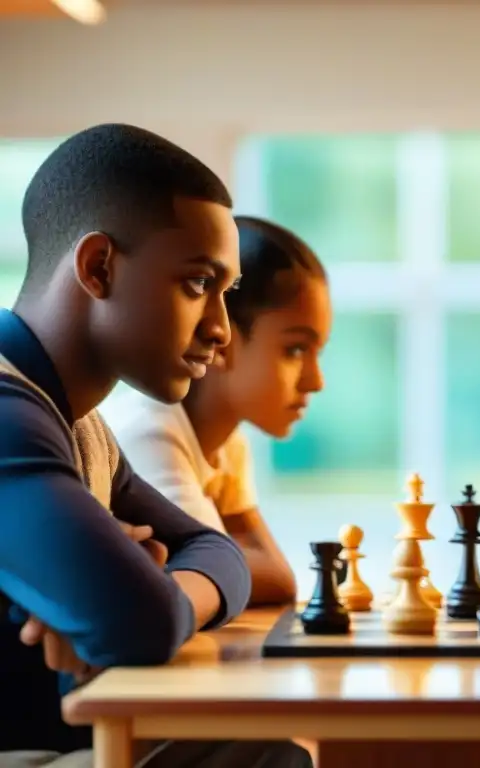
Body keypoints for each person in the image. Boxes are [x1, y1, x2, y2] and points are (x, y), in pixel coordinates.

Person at [0, 124, 311, 767]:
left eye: (226, 294)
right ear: (97, 267)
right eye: (198, 285)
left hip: (59, 736)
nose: (222, 329)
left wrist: (147, 585)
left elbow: (216, 551)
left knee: (270, 752)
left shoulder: (83, 428)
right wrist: (135, 593)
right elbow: (138, 622)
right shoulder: (9, 415)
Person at [103, 216, 331, 607]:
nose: (316, 381)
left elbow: (272, 573)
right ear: (222, 338)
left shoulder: (228, 446)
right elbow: (240, 574)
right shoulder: (151, 432)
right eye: (295, 350)